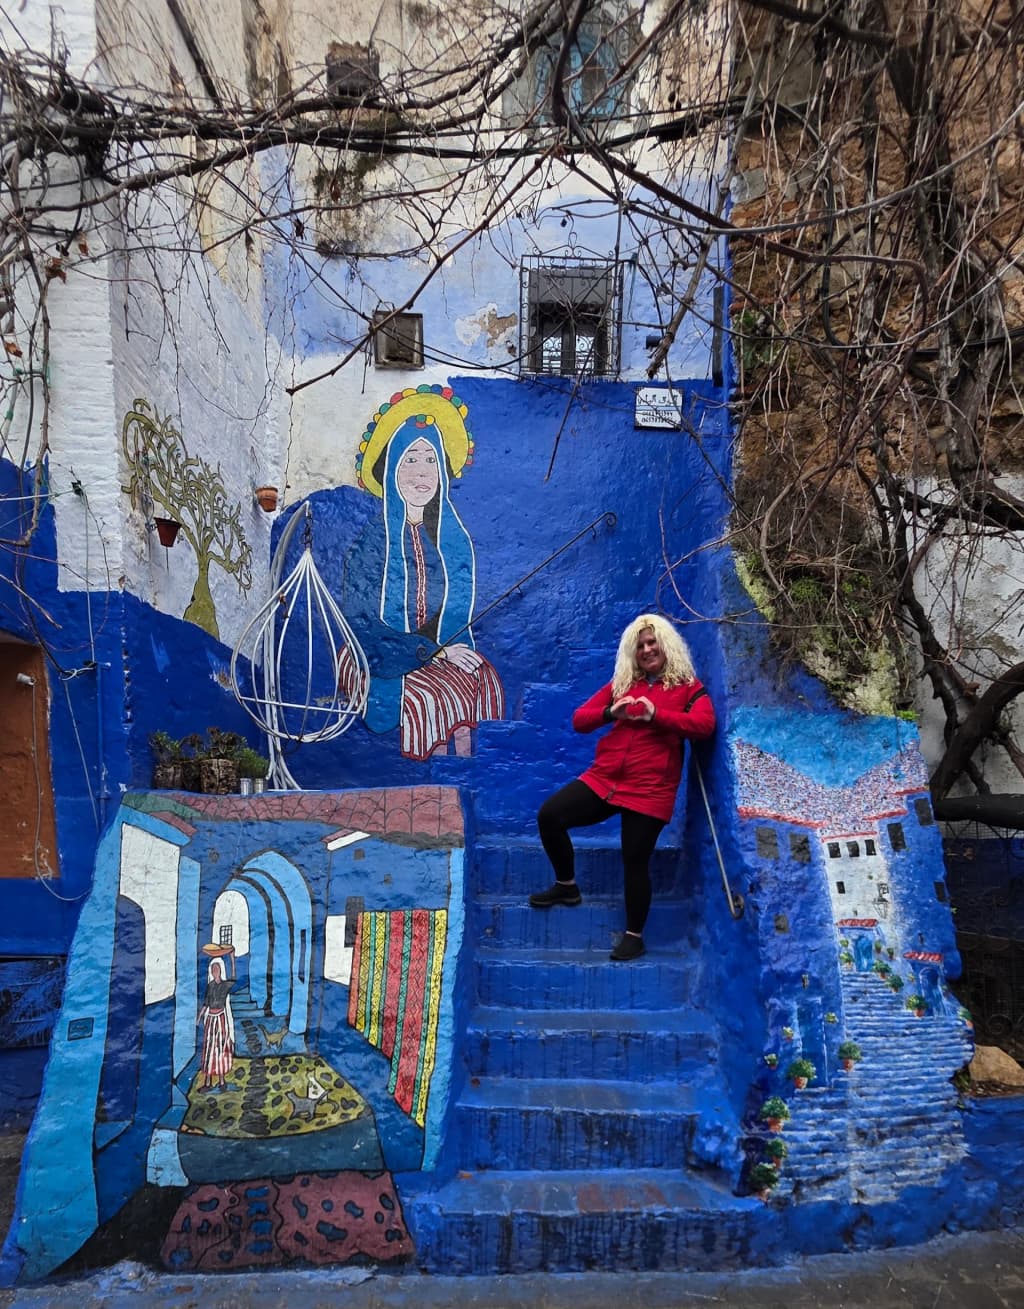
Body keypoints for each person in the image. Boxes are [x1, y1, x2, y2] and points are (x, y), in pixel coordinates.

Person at [530, 614, 715, 961]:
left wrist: (655, 715)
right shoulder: (624, 682)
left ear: (666, 645)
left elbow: (704, 725)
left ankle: (634, 936)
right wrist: (611, 713)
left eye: (652, 642)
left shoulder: (688, 686)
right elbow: (579, 719)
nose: (647, 650)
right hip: (606, 778)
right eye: (640, 645)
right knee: (550, 815)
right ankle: (566, 885)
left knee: (634, 858)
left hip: (651, 788)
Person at [342, 386, 505, 760]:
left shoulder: (454, 541)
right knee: (431, 697)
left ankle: (467, 785)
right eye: (410, 459)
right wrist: (434, 653)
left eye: (430, 460)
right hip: (375, 654)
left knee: (481, 679)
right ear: (393, 469)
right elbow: (363, 626)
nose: (421, 473)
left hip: (435, 654)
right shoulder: (373, 542)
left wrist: (448, 652)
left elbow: (458, 619)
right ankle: (436, 788)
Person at [197, 957, 235, 1090]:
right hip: (211, 1020)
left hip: (221, 1019)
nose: (215, 971)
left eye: (217, 969)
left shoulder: (224, 985)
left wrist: (232, 959)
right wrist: (200, 1015)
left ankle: (222, 1080)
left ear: (220, 971)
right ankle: (208, 1082)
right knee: (209, 1049)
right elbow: (206, 1003)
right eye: (213, 969)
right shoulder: (210, 986)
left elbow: (234, 978)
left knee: (221, 1047)